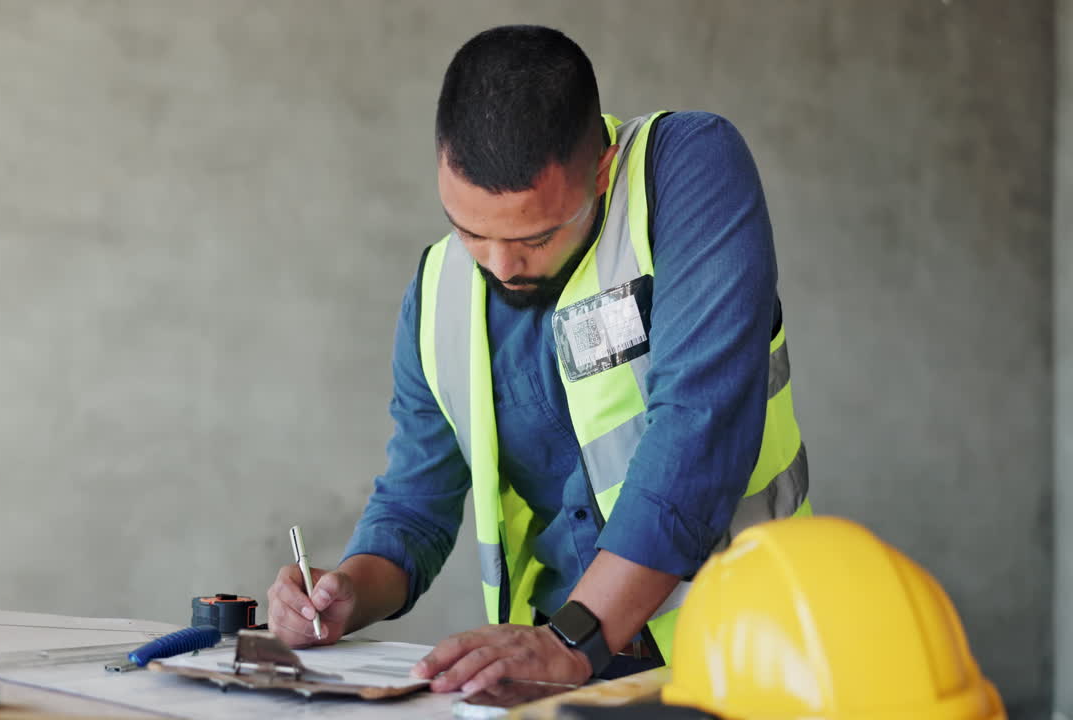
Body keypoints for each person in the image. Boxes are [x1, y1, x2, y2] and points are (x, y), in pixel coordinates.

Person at [266, 24, 811, 694]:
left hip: (743, 654)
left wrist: (572, 639)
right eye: (469, 230)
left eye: (538, 235)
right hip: (555, 675)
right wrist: (348, 590)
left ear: (602, 171)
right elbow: (415, 505)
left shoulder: (688, 168)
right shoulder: (437, 292)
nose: (499, 265)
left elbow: (699, 430)